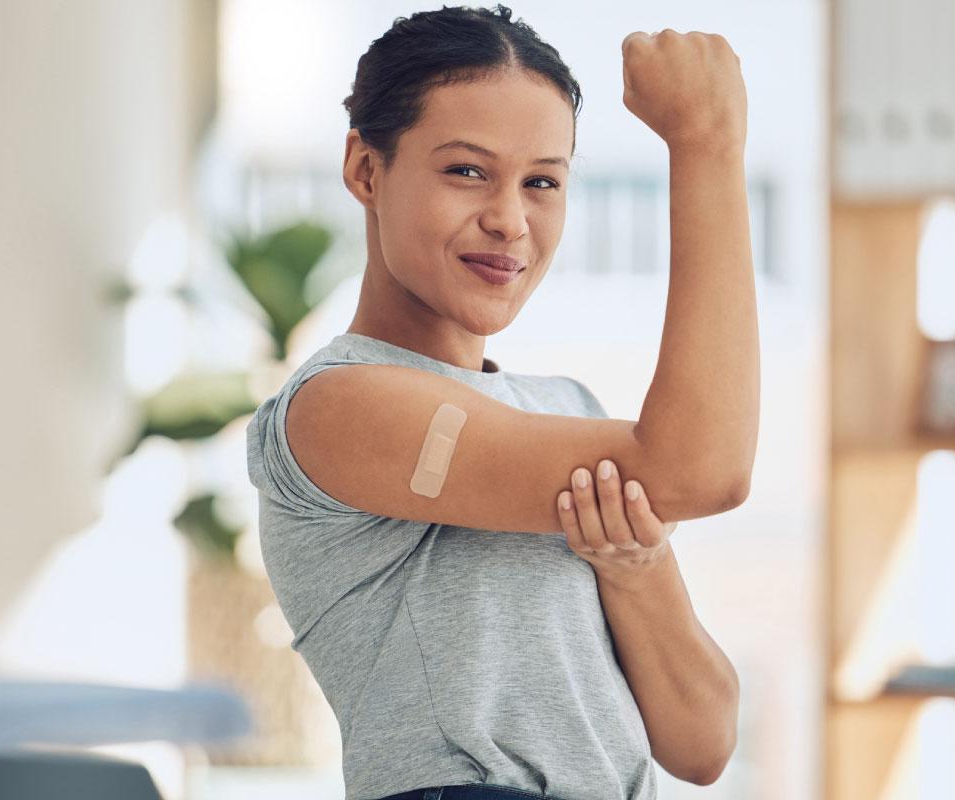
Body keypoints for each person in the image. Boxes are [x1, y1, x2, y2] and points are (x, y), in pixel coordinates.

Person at [245, 5, 758, 800]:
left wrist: (636, 565)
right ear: (366, 170)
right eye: (467, 171)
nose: (509, 221)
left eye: (542, 181)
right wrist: (707, 144)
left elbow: (703, 743)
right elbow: (706, 469)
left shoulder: (570, 412)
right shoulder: (338, 405)